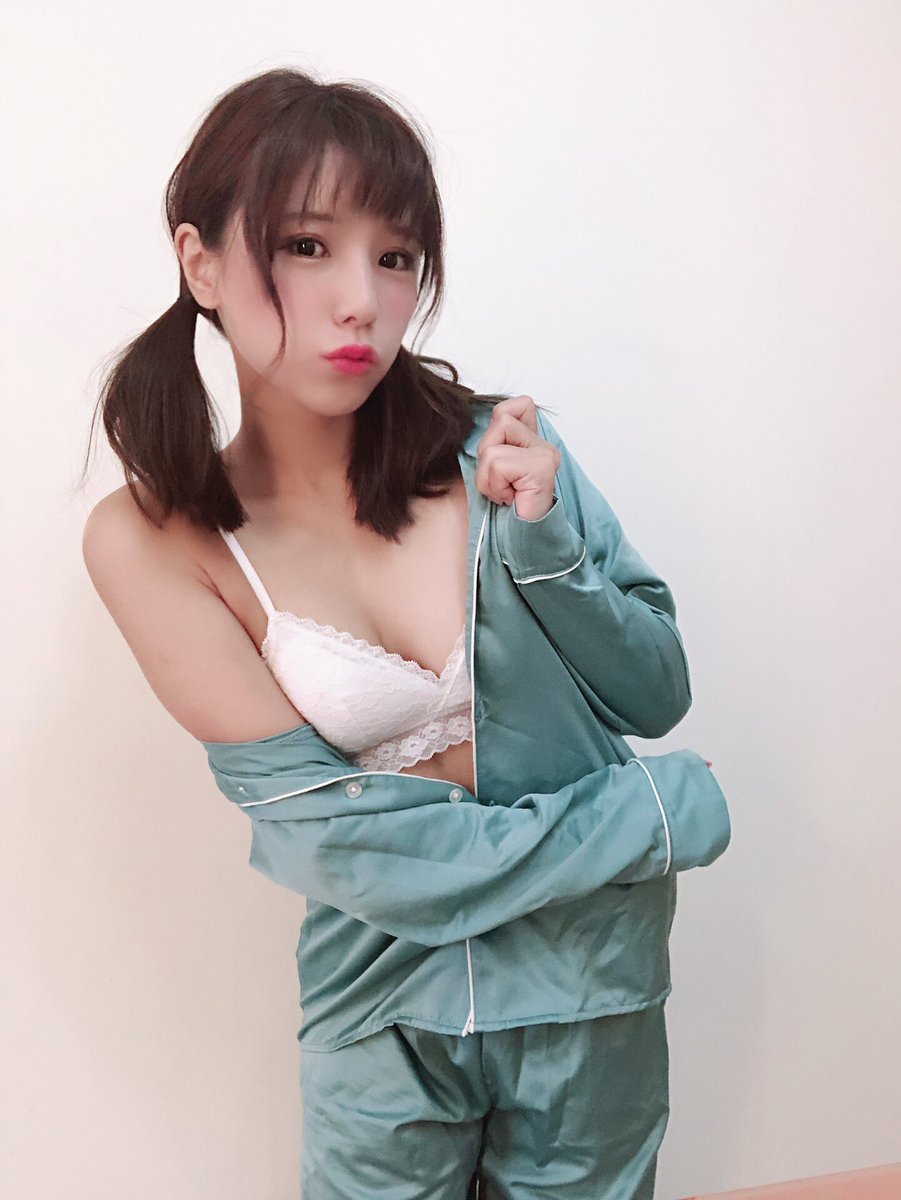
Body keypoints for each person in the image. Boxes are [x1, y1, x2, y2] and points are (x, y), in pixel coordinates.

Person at [82, 66, 730, 1200]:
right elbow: (336, 841)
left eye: (395, 258)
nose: (361, 303)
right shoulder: (155, 542)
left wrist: (547, 550)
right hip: (381, 1011)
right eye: (306, 246)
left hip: (590, 989)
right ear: (201, 262)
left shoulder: (503, 453)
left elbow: (654, 690)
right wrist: (655, 815)